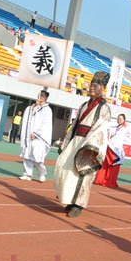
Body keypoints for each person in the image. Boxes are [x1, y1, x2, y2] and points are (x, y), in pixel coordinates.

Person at [54, 71, 112, 218]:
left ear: (102, 89)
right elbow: (75, 125)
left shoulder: (104, 108)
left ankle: (78, 204)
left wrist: (89, 146)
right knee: (68, 169)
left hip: (89, 144)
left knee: (84, 174)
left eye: (96, 85)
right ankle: (69, 200)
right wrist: (67, 142)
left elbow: (101, 129)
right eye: (91, 84)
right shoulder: (84, 105)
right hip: (76, 141)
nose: (92, 87)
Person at [19, 90, 53, 182]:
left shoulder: (47, 110)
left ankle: (42, 173)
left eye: (42, 96)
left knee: (37, 157)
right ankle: (27, 174)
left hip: (39, 137)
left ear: (46, 98)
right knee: (27, 155)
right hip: (29, 136)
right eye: (39, 96)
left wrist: (37, 134)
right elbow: (27, 119)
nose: (40, 98)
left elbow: (46, 124)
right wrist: (34, 106)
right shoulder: (32, 108)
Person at [94, 114, 129, 188]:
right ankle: (100, 179)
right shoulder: (116, 127)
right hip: (110, 147)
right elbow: (110, 134)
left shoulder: (125, 128)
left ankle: (108, 181)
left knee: (113, 164)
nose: (118, 120)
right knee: (105, 163)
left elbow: (124, 139)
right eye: (118, 118)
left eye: (120, 119)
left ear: (124, 120)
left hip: (116, 148)